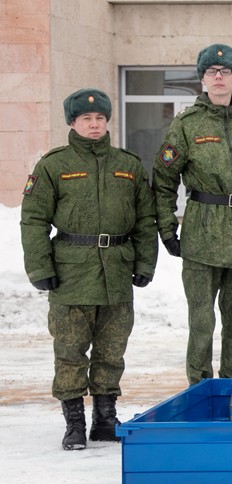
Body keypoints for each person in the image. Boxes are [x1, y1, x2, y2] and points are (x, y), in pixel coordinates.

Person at [21, 88, 158, 450]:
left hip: (116, 269)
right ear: (73, 122)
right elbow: (33, 220)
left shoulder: (127, 165)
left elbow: (145, 219)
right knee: (70, 349)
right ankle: (74, 423)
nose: (94, 124)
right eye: (86, 119)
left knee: (112, 349)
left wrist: (145, 261)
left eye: (99, 119)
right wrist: (39, 267)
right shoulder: (54, 166)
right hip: (71, 271)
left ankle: (105, 419)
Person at [152, 44, 232, 385]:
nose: (219, 78)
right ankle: (200, 388)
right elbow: (163, 180)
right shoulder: (186, 124)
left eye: (226, 72)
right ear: (202, 78)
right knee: (201, 322)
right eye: (211, 72)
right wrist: (168, 229)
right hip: (202, 235)